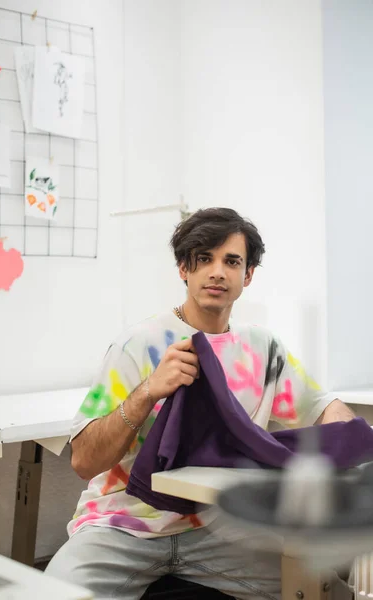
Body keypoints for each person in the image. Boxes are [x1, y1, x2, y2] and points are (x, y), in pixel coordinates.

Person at [47, 207, 355, 599]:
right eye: (204, 259)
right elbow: (83, 462)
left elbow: (324, 408)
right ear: (183, 269)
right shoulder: (137, 344)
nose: (217, 272)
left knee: (323, 588)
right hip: (123, 525)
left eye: (231, 261)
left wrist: (352, 439)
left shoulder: (262, 348)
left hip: (217, 528)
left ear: (248, 275)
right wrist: (148, 390)